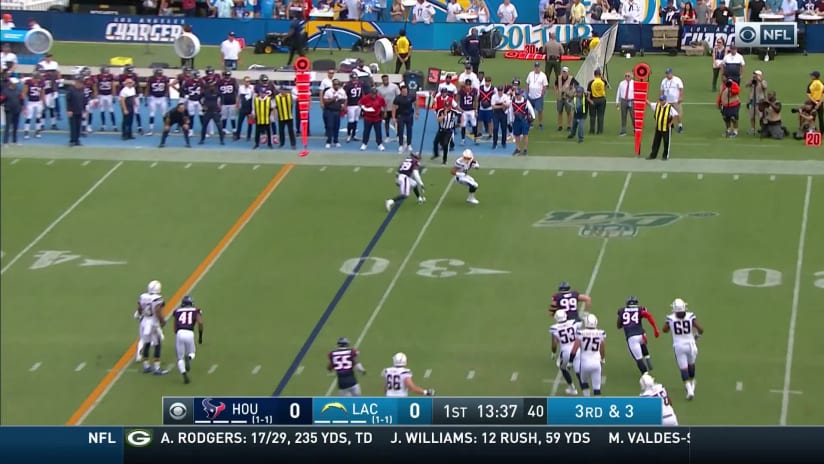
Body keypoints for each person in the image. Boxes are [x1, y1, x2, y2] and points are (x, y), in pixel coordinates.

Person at [662, 298, 704, 400]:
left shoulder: (671, 318)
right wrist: (696, 337)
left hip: (679, 346)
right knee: (691, 365)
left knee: (683, 369)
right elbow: (701, 329)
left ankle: (689, 390)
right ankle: (692, 383)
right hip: (691, 344)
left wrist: (670, 325)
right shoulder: (690, 316)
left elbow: (664, 330)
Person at [617, 295, 660, 374]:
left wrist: (623, 320)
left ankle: (646, 376)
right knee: (641, 343)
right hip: (642, 335)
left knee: (638, 359)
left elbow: (619, 326)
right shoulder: (640, 309)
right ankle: (648, 359)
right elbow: (648, 316)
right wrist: (655, 328)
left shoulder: (622, 311)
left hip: (632, 337)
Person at [135, 280, 168, 375]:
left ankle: (146, 366)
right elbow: (158, 311)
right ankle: (156, 368)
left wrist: (141, 314)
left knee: (147, 343)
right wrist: (162, 321)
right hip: (153, 322)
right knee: (157, 344)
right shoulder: (157, 299)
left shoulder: (143, 296)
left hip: (144, 321)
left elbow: (139, 308)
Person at [570, 314, 606, 397]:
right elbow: (602, 348)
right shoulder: (601, 333)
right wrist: (603, 359)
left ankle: (587, 400)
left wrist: (570, 361)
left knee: (583, 382)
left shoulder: (581, 333)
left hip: (584, 363)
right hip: (596, 363)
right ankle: (597, 406)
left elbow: (575, 349)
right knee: (597, 388)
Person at [172, 296, 203, 385]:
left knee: (179, 358)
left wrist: (177, 335)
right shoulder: (195, 311)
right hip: (189, 333)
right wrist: (200, 336)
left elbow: (175, 327)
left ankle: (184, 374)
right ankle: (188, 358)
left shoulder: (177, 311)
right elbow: (200, 322)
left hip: (180, 333)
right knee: (192, 353)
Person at [550, 310, 580, 395]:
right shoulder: (573, 322)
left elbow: (554, 344)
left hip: (566, 351)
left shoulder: (554, 328)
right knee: (578, 370)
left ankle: (572, 388)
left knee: (563, 368)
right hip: (577, 349)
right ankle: (585, 387)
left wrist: (553, 353)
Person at [647, 95, 678, 160]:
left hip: (666, 128)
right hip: (658, 127)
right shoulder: (657, 105)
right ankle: (653, 155)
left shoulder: (669, 107)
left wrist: (671, 123)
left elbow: (676, 115)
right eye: (660, 100)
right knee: (655, 142)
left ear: (665, 100)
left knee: (666, 142)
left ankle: (665, 156)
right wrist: (644, 98)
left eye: (662, 100)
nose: (660, 101)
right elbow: (649, 104)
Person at [433, 97, 461, 164]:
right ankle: (436, 154)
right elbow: (438, 120)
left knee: (445, 144)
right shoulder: (440, 111)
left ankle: (444, 160)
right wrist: (443, 116)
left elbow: (461, 114)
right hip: (441, 129)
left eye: (448, 106)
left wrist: (460, 123)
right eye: (446, 106)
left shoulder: (454, 112)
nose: (447, 108)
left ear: (450, 106)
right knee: (435, 142)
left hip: (449, 130)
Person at [392, 83, 418, 155]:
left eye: (406, 91)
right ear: (401, 91)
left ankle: (409, 144)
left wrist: (417, 113)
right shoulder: (398, 98)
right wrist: (393, 117)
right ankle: (400, 145)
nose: (405, 92)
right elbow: (393, 107)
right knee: (400, 130)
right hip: (401, 116)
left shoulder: (411, 96)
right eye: (403, 91)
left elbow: (416, 104)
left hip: (409, 116)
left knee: (409, 130)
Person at [509, 89, 536, 156]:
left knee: (525, 134)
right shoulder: (513, 102)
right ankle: (518, 149)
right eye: (516, 95)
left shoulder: (525, 101)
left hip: (524, 120)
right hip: (516, 120)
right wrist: (510, 120)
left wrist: (533, 117)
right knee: (517, 135)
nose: (518, 96)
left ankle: (525, 149)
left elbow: (531, 109)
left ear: (521, 94)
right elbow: (511, 111)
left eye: (519, 95)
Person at [359, 87, 386, 151]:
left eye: (375, 94)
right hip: (368, 118)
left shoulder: (380, 98)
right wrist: (363, 107)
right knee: (366, 131)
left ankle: (379, 144)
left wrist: (384, 112)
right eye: (372, 94)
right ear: (370, 93)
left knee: (378, 131)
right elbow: (360, 103)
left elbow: (384, 105)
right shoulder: (365, 98)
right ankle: (364, 144)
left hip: (377, 118)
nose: (374, 95)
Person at [322, 79, 346, 148]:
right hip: (330, 111)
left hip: (337, 111)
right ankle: (328, 141)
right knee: (330, 126)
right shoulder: (328, 92)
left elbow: (344, 99)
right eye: (335, 84)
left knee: (337, 126)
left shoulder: (342, 91)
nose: (336, 85)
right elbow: (325, 101)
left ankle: (336, 141)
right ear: (332, 84)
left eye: (338, 84)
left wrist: (343, 106)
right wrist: (332, 99)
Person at [376, 75, 400, 142]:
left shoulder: (394, 87)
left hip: (394, 108)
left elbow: (398, 96)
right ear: (382, 80)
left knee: (395, 122)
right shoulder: (379, 89)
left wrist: (398, 105)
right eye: (384, 80)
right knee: (386, 122)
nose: (385, 81)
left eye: (386, 79)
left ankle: (398, 136)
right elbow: (379, 99)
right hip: (385, 109)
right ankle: (387, 136)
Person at [660, 67, 684, 133]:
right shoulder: (664, 81)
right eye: (667, 73)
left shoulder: (677, 80)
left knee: (678, 114)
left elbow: (681, 89)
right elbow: (662, 90)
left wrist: (680, 97)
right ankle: (670, 124)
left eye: (669, 73)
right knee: (667, 114)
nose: (668, 75)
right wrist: (661, 98)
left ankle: (680, 126)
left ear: (671, 73)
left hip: (675, 100)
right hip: (667, 101)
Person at [526, 62, 548, 130]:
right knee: (529, 110)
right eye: (535, 67)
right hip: (530, 96)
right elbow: (527, 83)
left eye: (537, 67)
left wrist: (542, 94)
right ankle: (530, 123)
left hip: (538, 96)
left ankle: (540, 123)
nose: (536, 68)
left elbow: (545, 86)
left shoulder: (543, 75)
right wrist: (527, 92)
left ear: (539, 67)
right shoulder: (530, 74)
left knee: (539, 111)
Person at [1, 77, 23, 145]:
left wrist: (21, 107)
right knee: (8, 126)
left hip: (17, 110)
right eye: (15, 83)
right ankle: (5, 142)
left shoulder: (18, 90)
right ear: (11, 83)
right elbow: (1, 100)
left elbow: (21, 99)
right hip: (9, 110)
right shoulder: (5, 91)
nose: (16, 85)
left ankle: (14, 141)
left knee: (15, 126)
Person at [555, 66, 577, 132]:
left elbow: (576, 85)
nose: (564, 73)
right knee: (560, 112)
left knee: (568, 112)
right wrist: (556, 91)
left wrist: (572, 92)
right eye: (563, 72)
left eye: (565, 72)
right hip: (560, 97)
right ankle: (560, 125)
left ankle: (569, 125)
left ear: (568, 72)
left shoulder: (571, 78)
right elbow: (555, 85)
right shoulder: (559, 78)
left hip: (568, 97)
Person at [745, 70, 768, 135]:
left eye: (756, 75)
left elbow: (765, 86)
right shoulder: (753, 82)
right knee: (752, 117)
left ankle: (763, 129)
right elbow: (746, 85)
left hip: (760, 102)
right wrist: (751, 80)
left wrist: (759, 80)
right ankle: (752, 129)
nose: (755, 76)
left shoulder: (763, 81)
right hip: (752, 102)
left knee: (761, 117)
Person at [458, 78, 479, 146]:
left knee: (474, 125)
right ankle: (463, 140)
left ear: (470, 85)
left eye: (469, 85)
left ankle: (475, 139)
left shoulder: (474, 90)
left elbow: (476, 101)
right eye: (466, 85)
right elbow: (457, 100)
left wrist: (476, 110)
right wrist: (459, 109)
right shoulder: (461, 91)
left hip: (471, 110)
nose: (467, 87)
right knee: (463, 125)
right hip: (464, 110)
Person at [586, 68, 607, 135]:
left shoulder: (591, 82)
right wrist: (602, 77)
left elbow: (588, 94)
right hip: (602, 100)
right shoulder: (603, 82)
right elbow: (605, 84)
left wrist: (590, 100)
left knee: (592, 116)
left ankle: (592, 130)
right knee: (601, 116)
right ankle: (600, 131)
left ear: (594, 75)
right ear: (600, 74)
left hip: (593, 100)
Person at [234, 76, 255, 141]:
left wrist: (253, 109)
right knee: (239, 122)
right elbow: (238, 96)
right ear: (243, 82)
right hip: (243, 108)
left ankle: (248, 136)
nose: (247, 83)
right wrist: (237, 105)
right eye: (246, 81)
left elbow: (254, 98)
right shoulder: (241, 88)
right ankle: (238, 136)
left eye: (248, 81)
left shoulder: (252, 88)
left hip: (249, 108)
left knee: (250, 123)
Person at [66, 79, 85, 147]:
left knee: (78, 126)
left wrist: (84, 109)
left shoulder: (82, 90)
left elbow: (84, 101)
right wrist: (69, 110)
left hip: (79, 110)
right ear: (77, 83)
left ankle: (77, 140)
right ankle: (72, 140)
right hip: (72, 111)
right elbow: (68, 101)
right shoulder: (71, 90)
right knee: (73, 126)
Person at [490, 85, 510, 149]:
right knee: (495, 128)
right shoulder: (494, 96)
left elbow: (508, 105)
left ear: (503, 91)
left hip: (503, 113)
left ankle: (503, 142)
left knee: (504, 128)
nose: (500, 92)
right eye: (499, 91)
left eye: (501, 91)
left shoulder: (505, 96)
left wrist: (504, 105)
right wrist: (502, 105)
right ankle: (494, 143)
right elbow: (493, 106)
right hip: (496, 113)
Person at [615, 72, 635, 136]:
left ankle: (635, 129)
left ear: (631, 76)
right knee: (623, 116)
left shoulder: (634, 83)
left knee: (633, 116)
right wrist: (617, 101)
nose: (627, 77)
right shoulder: (622, 83)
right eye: (626, 76)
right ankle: (623, 130)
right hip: (624, 101)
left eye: (628, 76)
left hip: (632, 101)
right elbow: (618, 92)